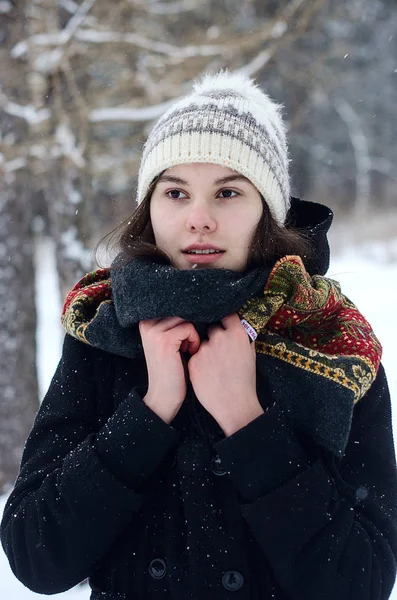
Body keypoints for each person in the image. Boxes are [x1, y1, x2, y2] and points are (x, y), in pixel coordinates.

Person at [1, 71, 397, 600]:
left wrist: (246, 421)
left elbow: (362, 582)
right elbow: (35, 556)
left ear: (267, 212)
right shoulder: (103, 331)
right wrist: (150, 411)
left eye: (228, 191)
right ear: (150, 208)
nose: (199, 219)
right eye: (176, 192)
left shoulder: (330, 343)